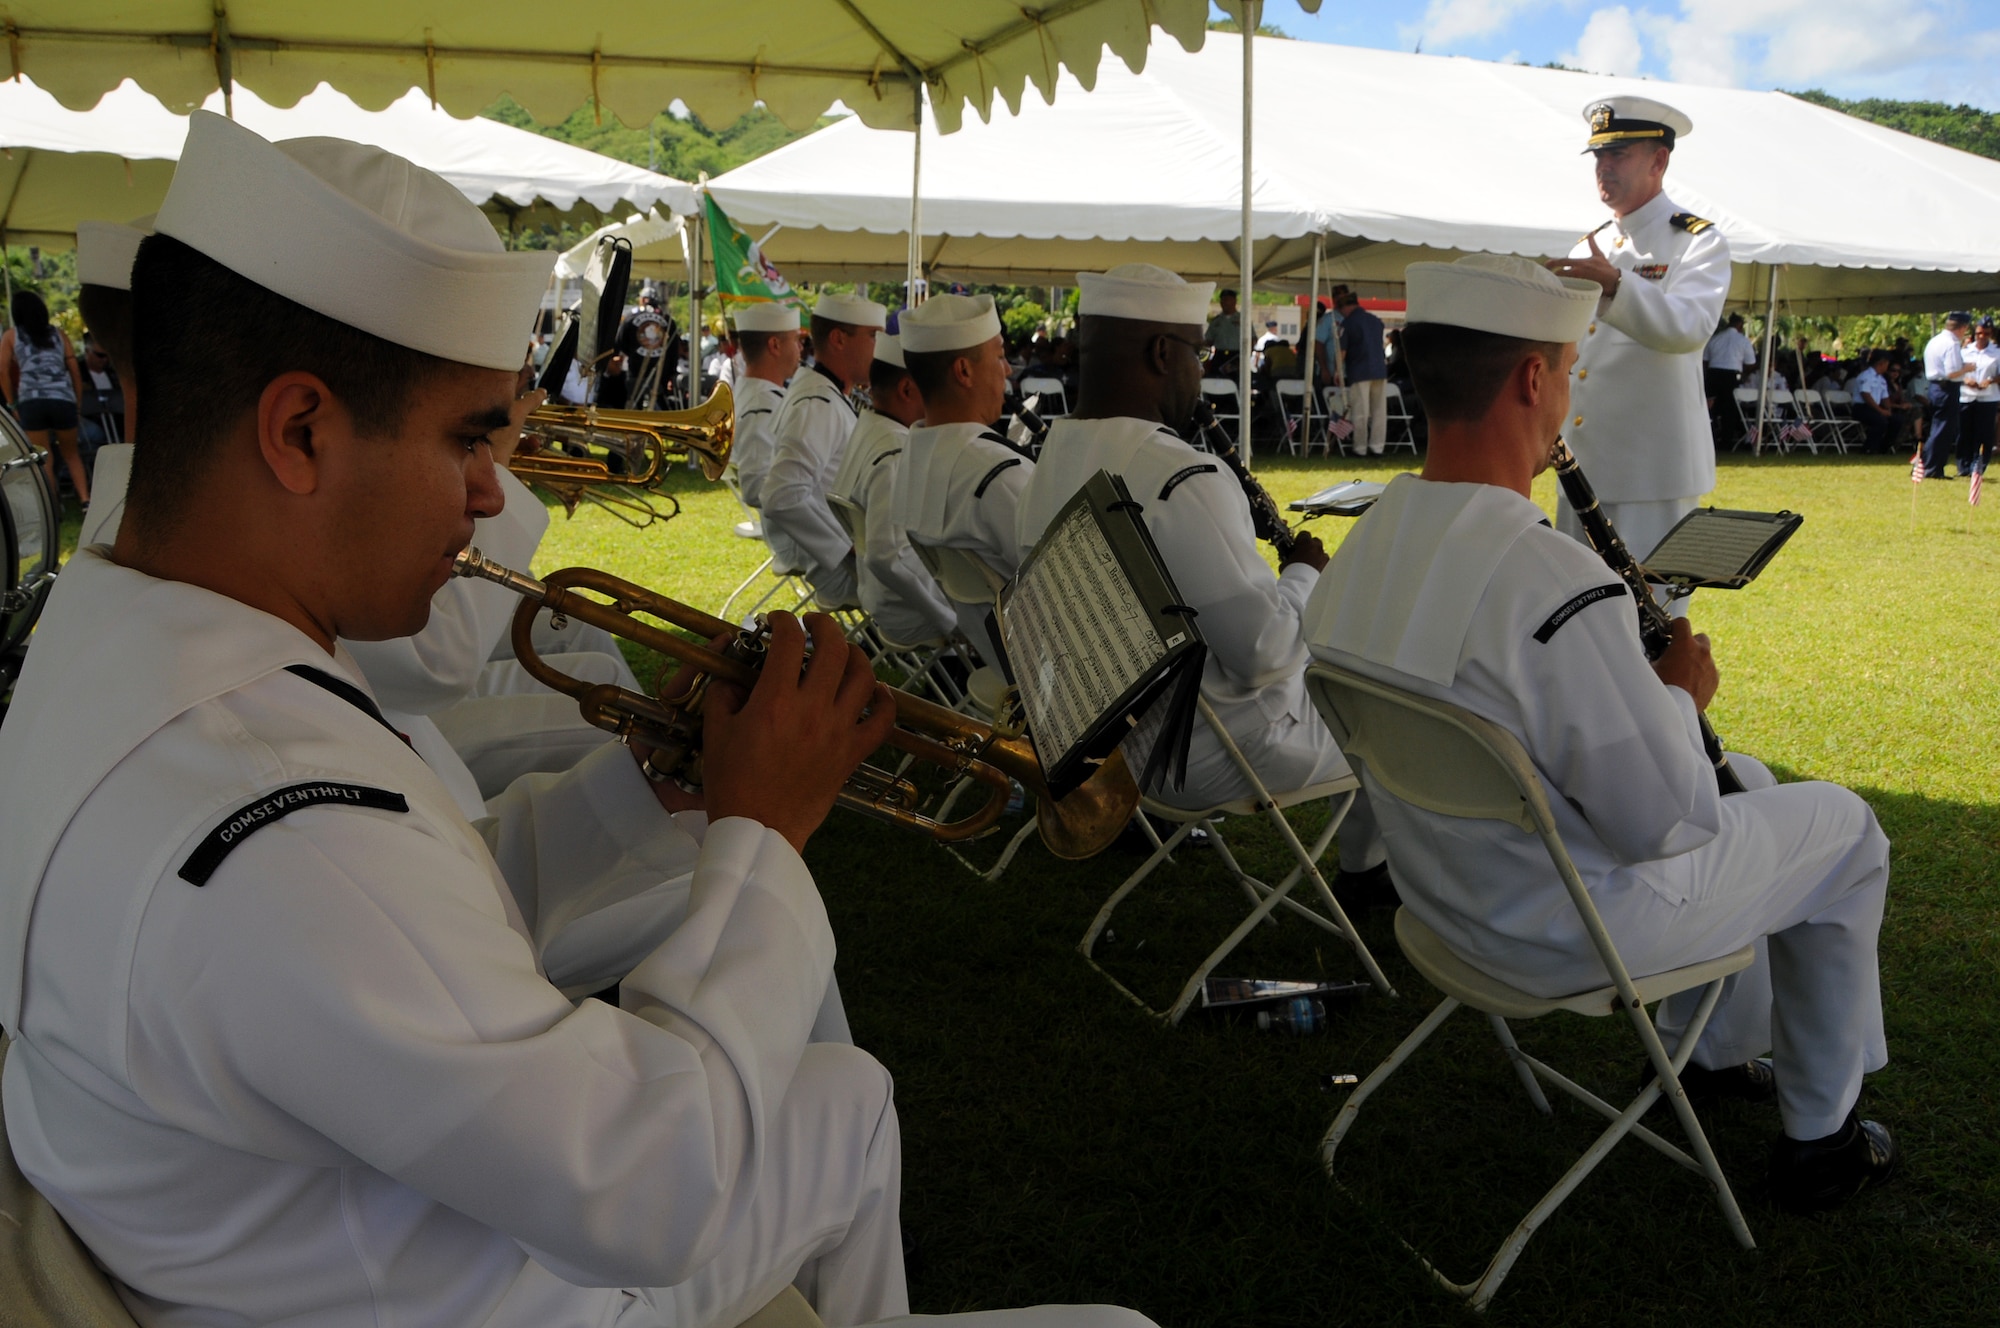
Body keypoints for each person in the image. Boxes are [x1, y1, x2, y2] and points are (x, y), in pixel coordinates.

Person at [0, 113, 1156, 1328]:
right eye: (467, 438)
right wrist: (762, 832)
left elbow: (411, 917)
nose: (491, 490)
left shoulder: (119, 648)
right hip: (490, 1291)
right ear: (299, 431)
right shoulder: (273, 822)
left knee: (847, 1097)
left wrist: (650, 792)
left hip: (349, 1242)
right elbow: (655, 1187)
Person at [1303, 252, 1896, 1214]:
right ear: (1533, 379)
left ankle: (1715, 1051)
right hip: (1573, 931)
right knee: (1846, 829)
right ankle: (1822, 1140)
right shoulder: (1552, 581)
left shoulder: (1364, 546)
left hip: (1445, 901)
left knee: (1749, 777)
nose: (1568, 398)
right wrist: (1680, 696)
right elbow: (1664, 820)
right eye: (1571, 372)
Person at [1013, 264, 1385, 889]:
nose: (1201, 373)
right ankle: (1367, 871)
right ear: (1163, 353)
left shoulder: (1045, 464)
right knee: (1397, 697)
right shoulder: (1181, 476)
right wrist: (1303, 573)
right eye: (1200, 353)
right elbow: (1265, 655)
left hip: (1115, 751)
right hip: (1216, 752)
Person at [1547, 96, 1729, 568]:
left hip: (1653, 470)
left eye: (1618, 154)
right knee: (1578, 601)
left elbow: (1689, 326)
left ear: (1659, 161)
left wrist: (1616, 285)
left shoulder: (1696, 241)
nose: (1603, 167)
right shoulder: (1590, 245)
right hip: (1581, 467)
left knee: (1651, 603)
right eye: (1598, 156)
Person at [893, 293, 1030, 670]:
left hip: (1000, 664)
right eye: (999, 356)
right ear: (964, 371)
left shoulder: (911, 458)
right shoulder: (997, 474)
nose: (1007, 370)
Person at [827, 335, 957, 648]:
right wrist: (952, 621)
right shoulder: (896, 452)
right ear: (908, 390)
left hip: (883, 597)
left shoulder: (871, 428)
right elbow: (889, 555)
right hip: (910, 610)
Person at [761, 292, 886, 606]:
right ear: (838, 339)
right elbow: (781, 496)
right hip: (844, 568)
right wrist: (847, 548)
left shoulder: (820, 391)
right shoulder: (817, 402)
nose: (881, 348)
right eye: (874, 336)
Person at [0, 288, 90, 509]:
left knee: (43, 456)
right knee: (71, 454)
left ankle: (52, 504)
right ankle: (85, 500)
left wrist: (11, 403)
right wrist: (77, 403)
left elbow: (2, 371)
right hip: (63, 399)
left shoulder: (12, 336)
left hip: (32, 401)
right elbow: (74, 371)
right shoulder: (58, 335)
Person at [724, 301, 803, 538]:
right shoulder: (762, 404)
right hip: (796, 536)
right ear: (775, 345)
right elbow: (757, 486)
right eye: (796, 340)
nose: (800, 349)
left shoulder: (756, 393)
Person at [1919, 313, 1973, 478]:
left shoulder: (1935, 340)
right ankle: (1932, 468)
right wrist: (1967, 368)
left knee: (1938, 428)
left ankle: (1925, 464)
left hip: (1935, 387)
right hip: (1947, 388)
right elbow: (1951, 372)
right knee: (1943, 430)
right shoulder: (1952, 344)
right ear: (1962, 327)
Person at [1335, 291, 1388, 456]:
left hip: (1360, 370)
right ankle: (1377, 446)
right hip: (1379, 369)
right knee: (1379, 411)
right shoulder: (1376, 321)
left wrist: (1338, 371)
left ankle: (1360, 448)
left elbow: (1342, 352)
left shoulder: (1348, 323)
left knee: (1361, 412)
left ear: (1345, 307)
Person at [1849, 350, 1907, 455]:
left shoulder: (1881, 379)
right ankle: (1868, 448)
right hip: (1862, 407)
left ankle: (1883, 448)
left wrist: (1888, 409)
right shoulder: (1866, 376)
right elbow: (1866, 395)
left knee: (1897, 420)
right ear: (1881, 363)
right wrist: (1881, 410)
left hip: (1875, 407)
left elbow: (1885, 398)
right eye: (1887, 364)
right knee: (1880, 421)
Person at [1961, 318, 1999, 476]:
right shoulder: (1965, 351)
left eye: (1986, 333)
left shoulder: (1996, 352)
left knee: (1984, 434)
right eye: (1979, 333)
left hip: (1988, 397)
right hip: (1966, 396)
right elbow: (1954, 371)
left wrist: (1990, 380)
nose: (1982, 336)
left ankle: (1978, 466)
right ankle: (1963, 466)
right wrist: (1966, 380)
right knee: (1965, 432)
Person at [1703, 312, 1756, 417]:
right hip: (1731, 376)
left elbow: (1705, 360)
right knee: (1730, 407)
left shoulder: (1715, 338)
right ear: (1740, 325)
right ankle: (1727, 427)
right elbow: (1750, 363)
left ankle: (1712, 426)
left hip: (1713, 374)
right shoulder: (1743, 341)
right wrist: (1744, 374)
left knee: (1711, 407)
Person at [1204, 287, 1242, 376]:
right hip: (1219, 355)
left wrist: (1244, 358)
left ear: (1234, 301)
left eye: (1228, 300)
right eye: (1223, 300)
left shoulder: (1243, 319)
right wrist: (1205, 361)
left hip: (1236, 357)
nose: (1225, 303)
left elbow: (1252, 340)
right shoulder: (1216, 321)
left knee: (1235, 381)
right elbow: (1207, 342)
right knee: (1215, 379)